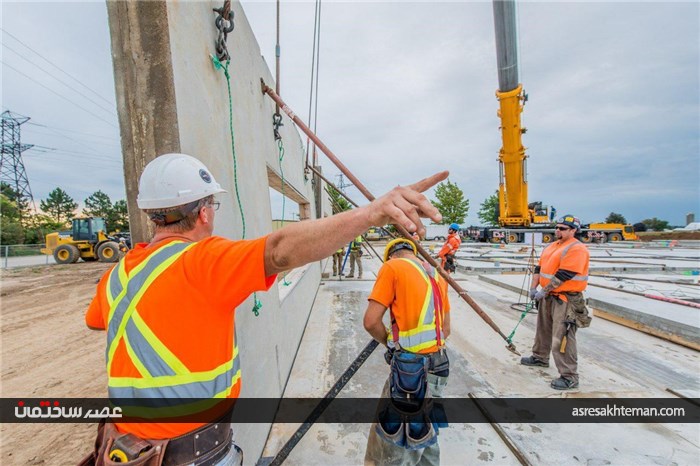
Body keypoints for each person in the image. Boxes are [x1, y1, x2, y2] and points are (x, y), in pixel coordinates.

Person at [82, 153, 448, 465]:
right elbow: (278, 251)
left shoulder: (118, 274)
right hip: (193, 453)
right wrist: (368, 215)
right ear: (205, 213)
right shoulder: (202, 262)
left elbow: (98, 321)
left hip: (125, 449)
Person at [363, 238, 451, 465]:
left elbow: (371, 322)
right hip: (438, 366)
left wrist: (390, 344)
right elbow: (446, 329)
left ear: (391, 256)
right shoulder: (435, 275)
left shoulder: (393, 267)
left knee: (398, 446)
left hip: (410, 373)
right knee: (425, 433)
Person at [520, 214, 591, 390]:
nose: (558, 230)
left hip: (565, 298)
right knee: (543, 329)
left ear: (573, 230)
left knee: (562, 337)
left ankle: (569, 376)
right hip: (548, 296)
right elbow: (539, 268)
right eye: (557, 227)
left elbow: (564, 275)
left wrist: (543, 291)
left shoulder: (577, 248)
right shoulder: (551, 246)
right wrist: (533, 288)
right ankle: (540, 357)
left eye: (563, 228)